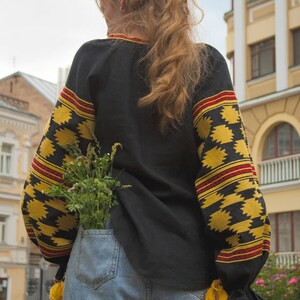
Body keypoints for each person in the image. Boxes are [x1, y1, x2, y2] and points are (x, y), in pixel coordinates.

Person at [21, 0, 271, 299]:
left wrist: (60, 250)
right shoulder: (208, 65)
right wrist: (238, 272)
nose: (104, 16)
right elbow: (231, 178)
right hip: (189, 265)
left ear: (122, 3)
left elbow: (51, 174)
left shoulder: (94, 59)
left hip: (101, 261)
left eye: (104, 7)